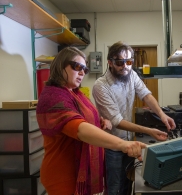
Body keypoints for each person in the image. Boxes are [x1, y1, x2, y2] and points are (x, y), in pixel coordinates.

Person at [36, 46, 146, 195]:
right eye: (77, 67)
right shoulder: (53, 97)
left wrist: (99, 121)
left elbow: (84, 117)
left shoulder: (75, 93)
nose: (82, 72)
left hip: (79, 171)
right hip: (63, 175)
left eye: (85, 69)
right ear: (61, 65)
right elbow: (79, 128)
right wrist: (123, 144)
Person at [92, 41, 176, 195]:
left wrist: (162, 115)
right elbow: (117, 122)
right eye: (120, 62)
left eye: (129, 61)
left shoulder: (132, 75)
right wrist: (149, 131)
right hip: (113, 145)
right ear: (110, 62)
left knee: (127, 185)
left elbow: (146, 95)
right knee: (114, 188)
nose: (125, 66)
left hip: (130, 142)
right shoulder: (101, 86)